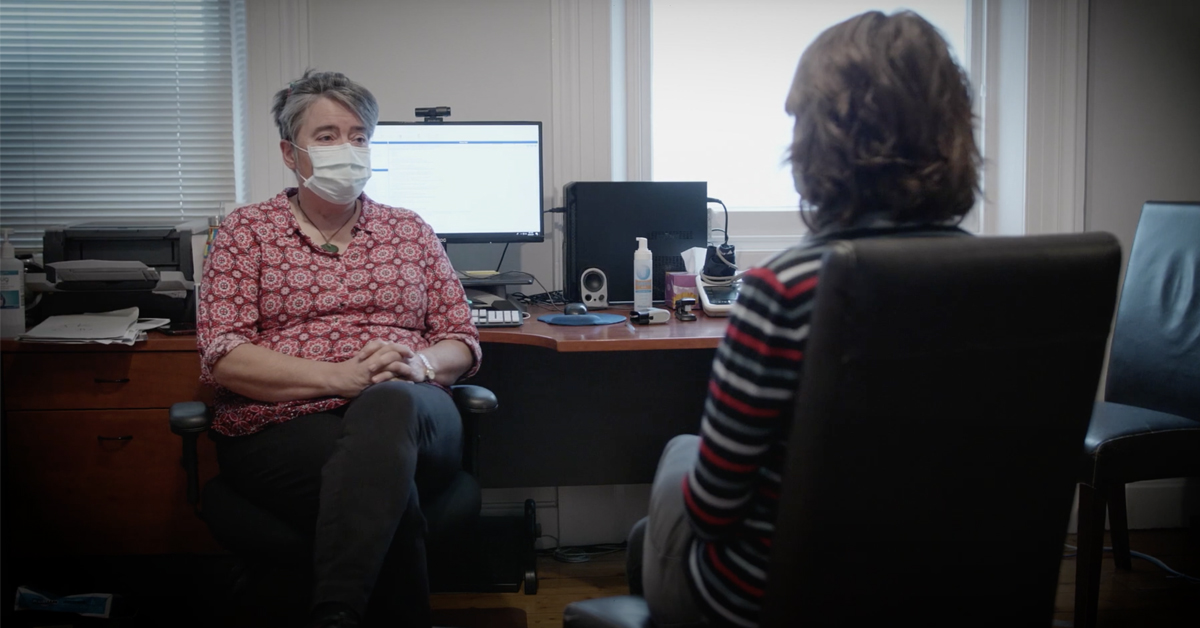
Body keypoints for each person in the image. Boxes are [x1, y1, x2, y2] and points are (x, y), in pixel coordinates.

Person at [636, 11, 980, 628]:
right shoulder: (1003, 281)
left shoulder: (782, 290)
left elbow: (715, 512)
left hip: (778, 599)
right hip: (952, 591)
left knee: (677, 466)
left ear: (818, 141)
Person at [196, 70, 481, 628]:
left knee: (391, 401)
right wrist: (338, 378)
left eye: (358, 135)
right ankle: (341, 610)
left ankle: (334, 612)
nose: (346, 149)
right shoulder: (245, 231)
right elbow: (223, 354)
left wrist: (418, 364)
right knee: (386, 496)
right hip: (283, 423)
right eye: (326, 136)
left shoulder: (410, 230)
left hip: (415, 410)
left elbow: (461, 340)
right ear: (289, 152)